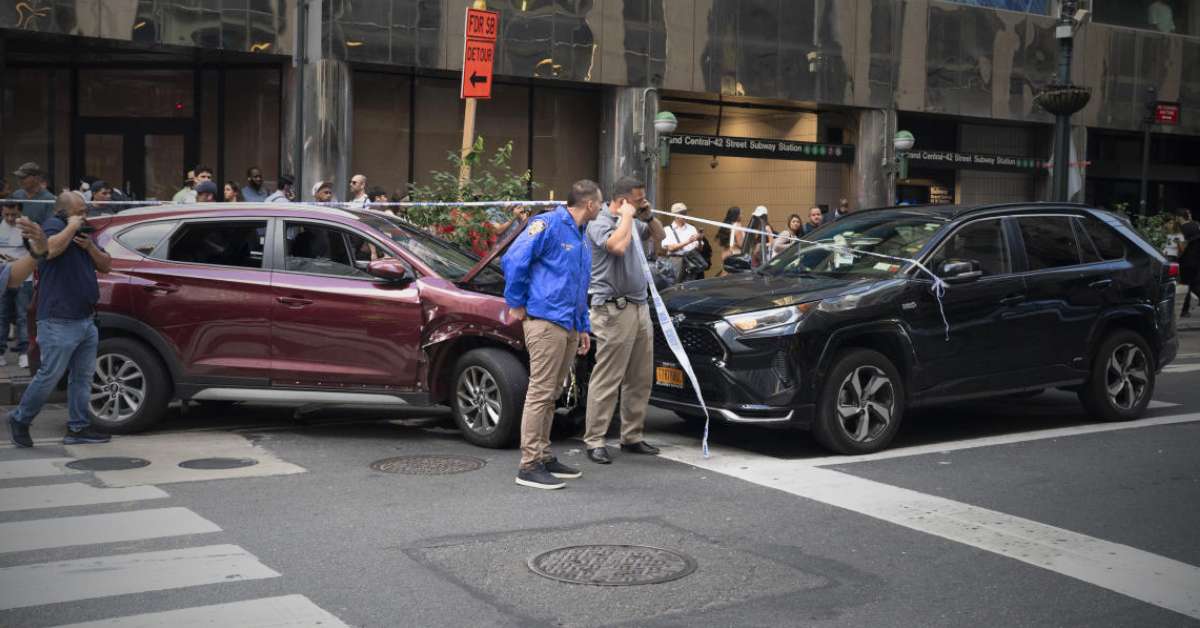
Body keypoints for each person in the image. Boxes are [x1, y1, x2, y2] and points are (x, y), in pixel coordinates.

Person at [502, 179, 601, 489]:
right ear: (589, 204)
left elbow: (578, 285)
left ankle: (543, 456)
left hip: (567, 322)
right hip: (545, 320)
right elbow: (514, 259)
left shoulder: (581, 235)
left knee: (553, 390)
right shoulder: (546, 223)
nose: (603, 206)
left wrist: (582, 326)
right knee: (542, 391)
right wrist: (516, 302)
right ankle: (529, 464)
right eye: (601, 202)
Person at [8, 192, 113, 448]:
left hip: (85, 317)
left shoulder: (81, 231)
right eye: (79, 211)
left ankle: (78, 427)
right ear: (63, 211)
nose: (84, 215)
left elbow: (107, 265)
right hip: (58, 319)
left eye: (85, 211)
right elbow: (49, 250)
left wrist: (89, 246)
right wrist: (71, 226)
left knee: (83, 376)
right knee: (50, 375)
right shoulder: (53, 227)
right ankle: (20, 419)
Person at [583, 176, 660, 465]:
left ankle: (632, 435)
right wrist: (627, 216)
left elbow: (660, 239)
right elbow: (617, 246)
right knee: (608, 376)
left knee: (640, 377)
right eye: (638, 199)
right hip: (612, 309)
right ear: (623, 200)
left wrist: (648, 216)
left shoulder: (634, 219)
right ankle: (595, 439)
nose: (642, 203)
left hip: (639, 306)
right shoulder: (600, 221)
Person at [0, 200, 34, 368]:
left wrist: (19, 260)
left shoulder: (27, 227)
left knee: (23, 317)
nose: (10, 218)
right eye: (6, 214)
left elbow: (37, 251)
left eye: (14, 214)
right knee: (2, 316)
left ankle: (24, 353)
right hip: (3, 278)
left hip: (24, 278)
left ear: (19, 212)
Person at [662, 202, 703, 281]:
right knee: (674, 286)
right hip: (675, 262)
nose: (685, 215)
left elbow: (700, 249)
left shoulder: (692, 228)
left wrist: (700, 240)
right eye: (682, 213)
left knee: (690, 286)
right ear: (675, 215)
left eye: (685, 212)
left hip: (691, 263)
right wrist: (688, 241)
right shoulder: (667, 230)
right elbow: (670, 248)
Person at [1179, 209, 1200, 318]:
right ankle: (1184, 310)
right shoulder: (1196, 226)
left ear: (1180, 217)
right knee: (1195, 284)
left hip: (1186, 262)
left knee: (1185, 285)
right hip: (1196, 260)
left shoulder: (1182, 229)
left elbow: (1181, 247)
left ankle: (1184, 310)